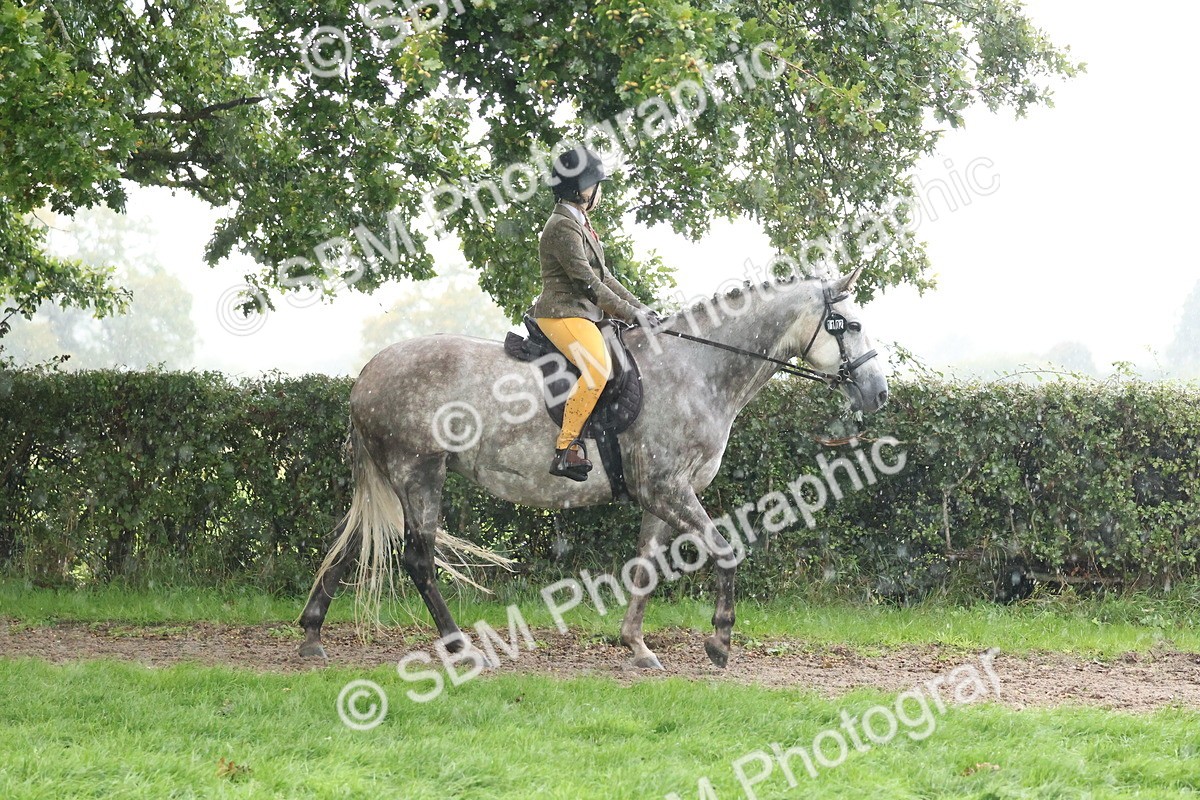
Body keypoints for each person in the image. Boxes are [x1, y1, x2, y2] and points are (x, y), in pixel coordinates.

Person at [527, 147, 659, 481]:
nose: (600, 191)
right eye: (597, 184)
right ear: (584, 189)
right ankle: (565, 448)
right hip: (562, 313)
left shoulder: (579, 223)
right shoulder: (561, 227)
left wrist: (641, 309)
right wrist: (630, 314)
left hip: (584, 313)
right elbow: (587, 283)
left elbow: (606, 278)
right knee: (598, 367)